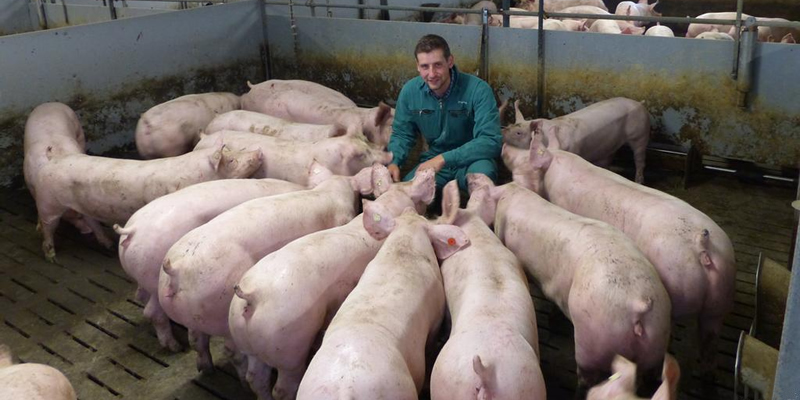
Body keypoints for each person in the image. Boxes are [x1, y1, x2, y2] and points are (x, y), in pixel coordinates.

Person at [387, 34, 502, 201]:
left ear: (450, 61)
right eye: (425, 66)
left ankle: (478, 216)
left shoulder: (478, 90)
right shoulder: (410, 92)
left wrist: (443, 159)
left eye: (438, 65)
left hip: (472, 160)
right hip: (433, 160)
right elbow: (402, 134)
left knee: (483, 182)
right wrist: (394, 161)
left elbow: (490, 140)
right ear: (417, 66)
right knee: (404, 197)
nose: (431, 74)